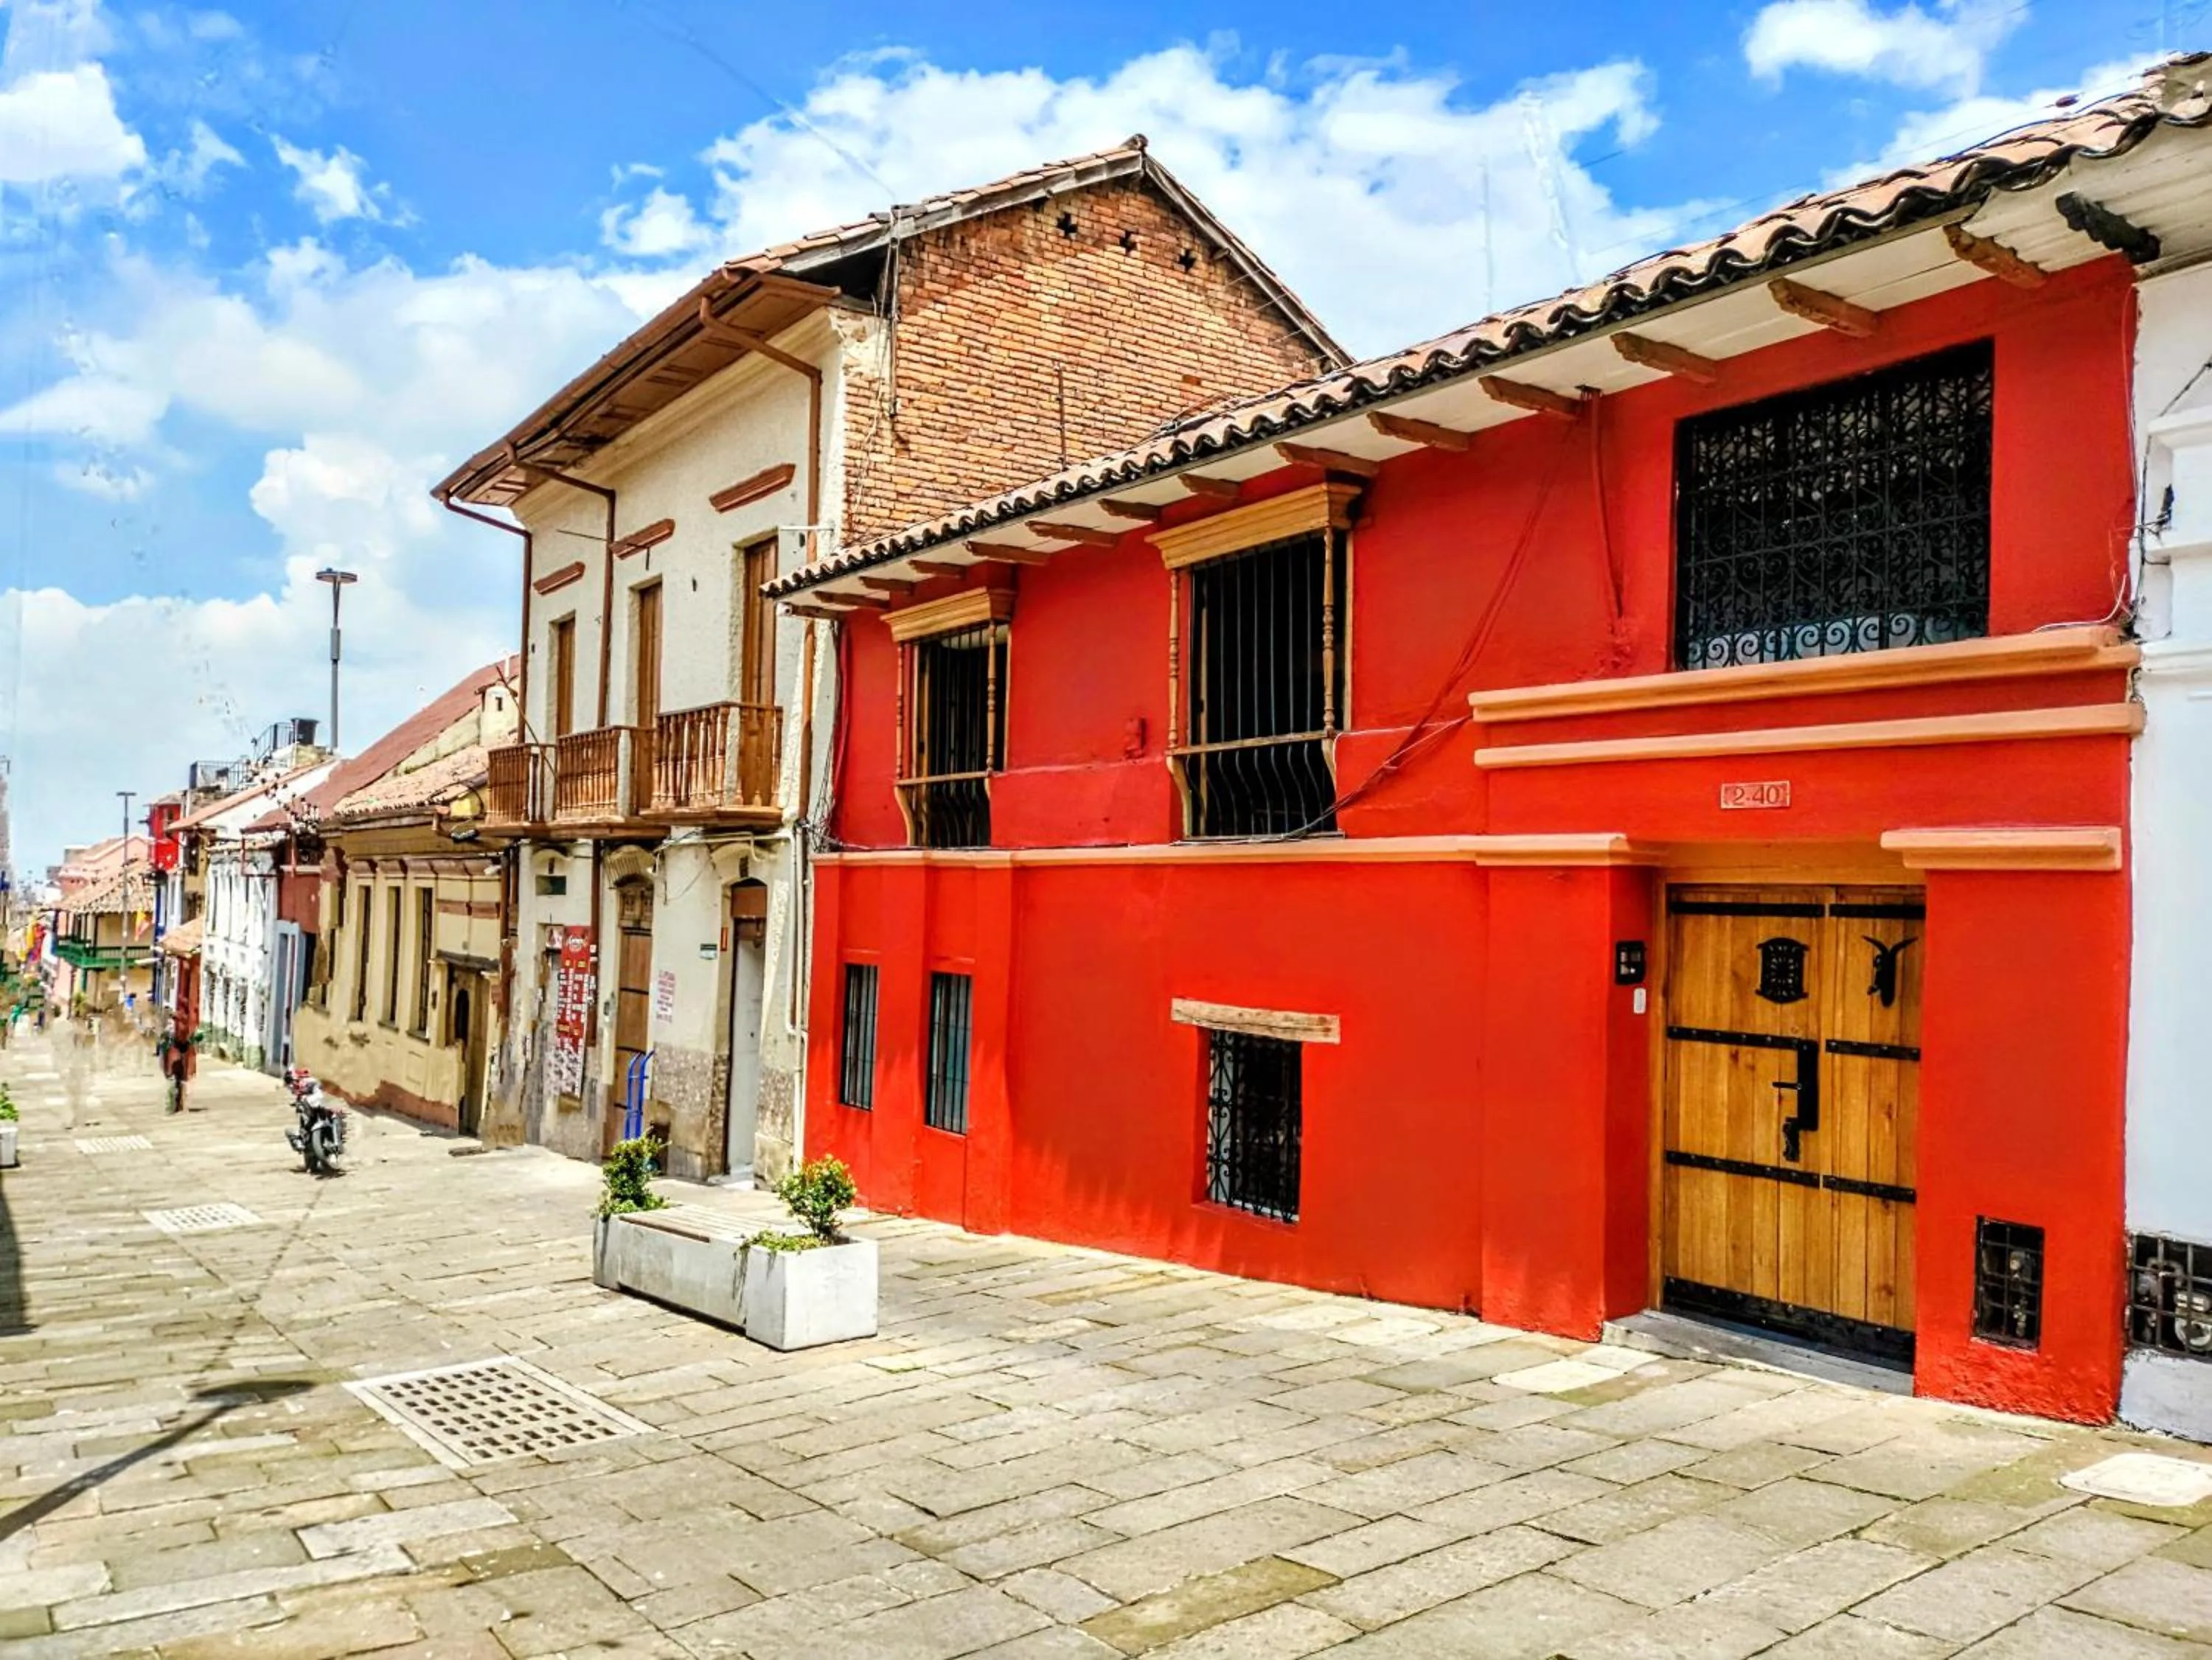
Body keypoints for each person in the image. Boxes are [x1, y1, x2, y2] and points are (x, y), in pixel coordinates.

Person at [160, 1021, 195, 1115]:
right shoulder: (171, 1031)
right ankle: (171, 1107)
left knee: (176, 1082)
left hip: (176, 1059)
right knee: (173, 1082)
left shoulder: (177, 1028)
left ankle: (176, 1106)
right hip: (173, 1060)